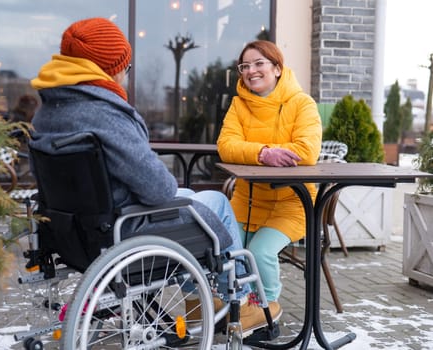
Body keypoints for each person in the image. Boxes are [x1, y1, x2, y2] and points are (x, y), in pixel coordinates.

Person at [29, 17, 274, 336]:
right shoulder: (104, 113)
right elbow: (159, 189)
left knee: (198, 204)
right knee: (213, 202)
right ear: (108, 69)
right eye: (124, 67)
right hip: (125, 230)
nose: (125, 75)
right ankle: (242, 301)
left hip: (72, 234)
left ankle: (202, 301)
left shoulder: (47, 113)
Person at [217, 40, 322, 322]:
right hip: (245, 201)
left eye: (259, 63)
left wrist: (252, 151)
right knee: (221, 248)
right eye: (245, 66)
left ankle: (267, 306)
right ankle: (233, 305)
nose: (251, 71)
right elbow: (226, 145)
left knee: (258, 251)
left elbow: (307, 152)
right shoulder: (238, 105)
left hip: (290, 203)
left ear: (277, 68)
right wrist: (264, 153)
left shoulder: (302, 103)